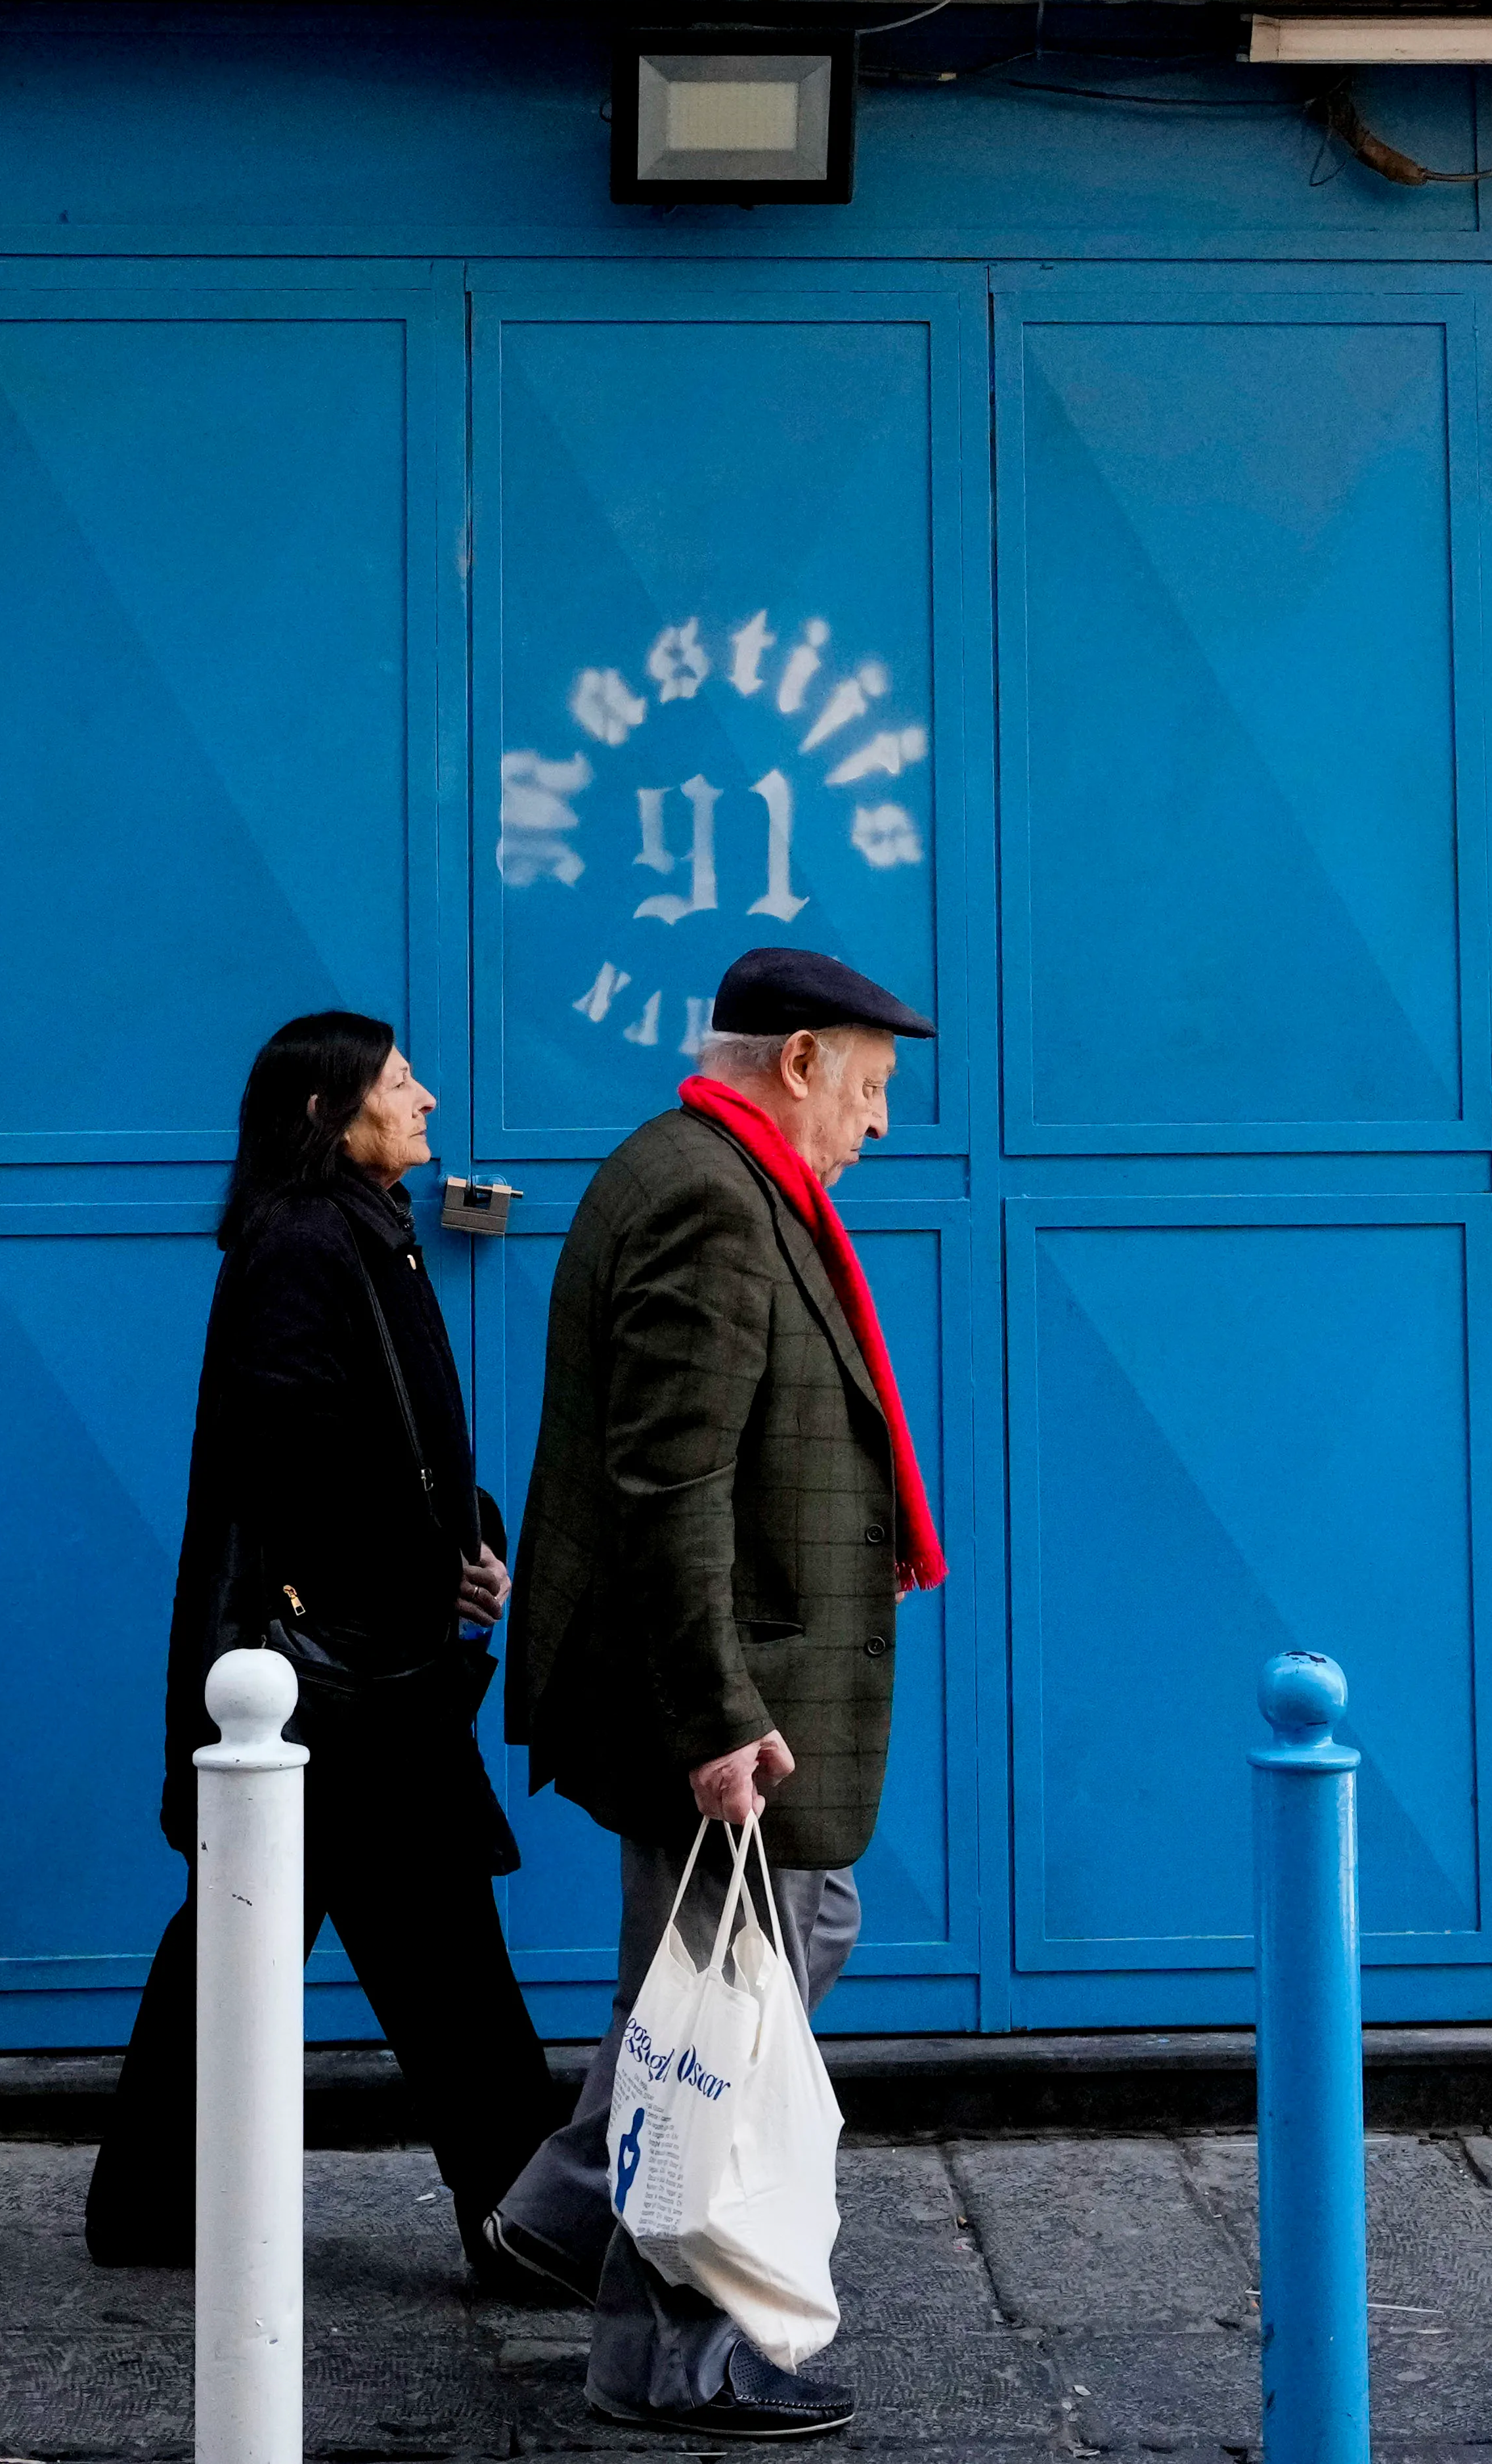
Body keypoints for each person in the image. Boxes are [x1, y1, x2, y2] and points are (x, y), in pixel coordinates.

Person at [484, 945, 947, 2440]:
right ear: (799, 1060)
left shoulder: (715, 1172)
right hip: (717, 1692)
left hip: (721, 1679)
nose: (879, 1126)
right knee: (727, 2018)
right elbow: (668, 1484)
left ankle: (567, 2208)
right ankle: (667, 2353)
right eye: (870, 1090)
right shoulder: (708, 1197)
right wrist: (715, 1718)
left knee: (726, 1979)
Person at [85, 1010, 560, 2289]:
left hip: (349, 1664)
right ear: (323, 1112)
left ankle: (146, 2203)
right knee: (441, 1950)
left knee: (245, 1932)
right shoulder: (306, 1245)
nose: (427, 1101)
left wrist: (466, 1537)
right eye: (399, 1084)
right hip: (339, 1677)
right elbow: (293, 1464)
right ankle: (527, 2220)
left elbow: (402, 1444)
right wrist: (416, 1571)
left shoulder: (364, 1232)